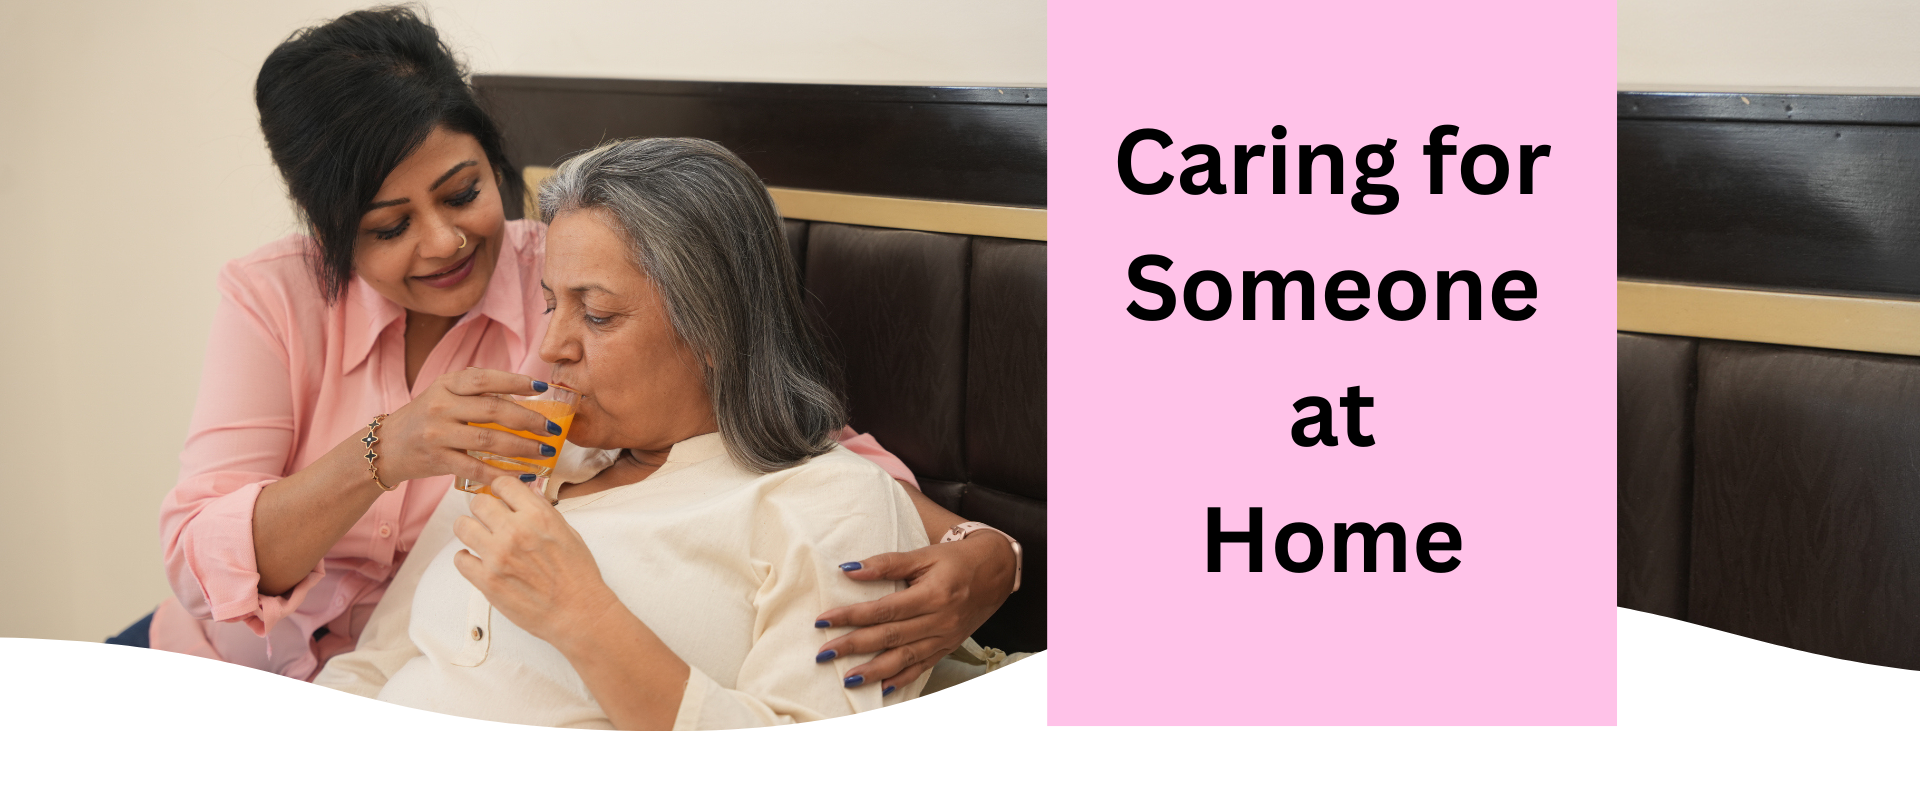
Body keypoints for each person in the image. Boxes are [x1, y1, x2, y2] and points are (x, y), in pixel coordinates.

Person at [142, 7, 1020, 694]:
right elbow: (197, 558)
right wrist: (386, 452)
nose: (445, 242)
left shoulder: (566, 266)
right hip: (230, 667)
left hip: (423, 670)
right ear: (331, 232)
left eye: (464, 192)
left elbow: (790, 440)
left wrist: (991, 555)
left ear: (495, 160)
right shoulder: (275, 295)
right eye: (389, 226)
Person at [317, 137, 929, 728]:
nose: (550, 347)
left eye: (599, 313)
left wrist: (583, 613)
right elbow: (370, 668)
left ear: (714, 327)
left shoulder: (826, 502)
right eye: (552, 303)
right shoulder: (523, 456)